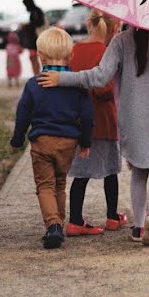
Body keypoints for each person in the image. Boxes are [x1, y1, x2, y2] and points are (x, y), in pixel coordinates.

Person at [39, 26, 149, 247]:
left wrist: (62, 78)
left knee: (139, 169)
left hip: (132, 117)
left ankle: (140, 226)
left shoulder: (121, 41)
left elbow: (100, 77)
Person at [10, 27, 93, 249]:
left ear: (41, 56)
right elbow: (87, 115)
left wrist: (17, 139)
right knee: (59, 184)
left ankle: (53, 226)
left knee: (45, 185)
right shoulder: (76, 85)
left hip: (42, 141)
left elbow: (23, 113)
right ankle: (58, 224)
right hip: (68, 142)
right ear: (71, 56)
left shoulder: (33, 84)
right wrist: (86, 141)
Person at [65, 11, 126, 237]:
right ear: (115, 29)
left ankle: (75, 219)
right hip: (104, 121)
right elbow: (105, 89)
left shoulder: (74, 50)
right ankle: (112, 216)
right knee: (110, 171)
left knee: (81, 174)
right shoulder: (106, 53)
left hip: (79, 122)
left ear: (89, 24)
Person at [21, 0, 47, 75]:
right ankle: (39, 74)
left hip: (36, 39)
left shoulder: (36, 11)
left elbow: (39, 23)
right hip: (36, 39)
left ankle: (38, 75)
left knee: (36, 58)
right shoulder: (36, 11)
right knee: (37, 58)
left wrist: (27, 25)